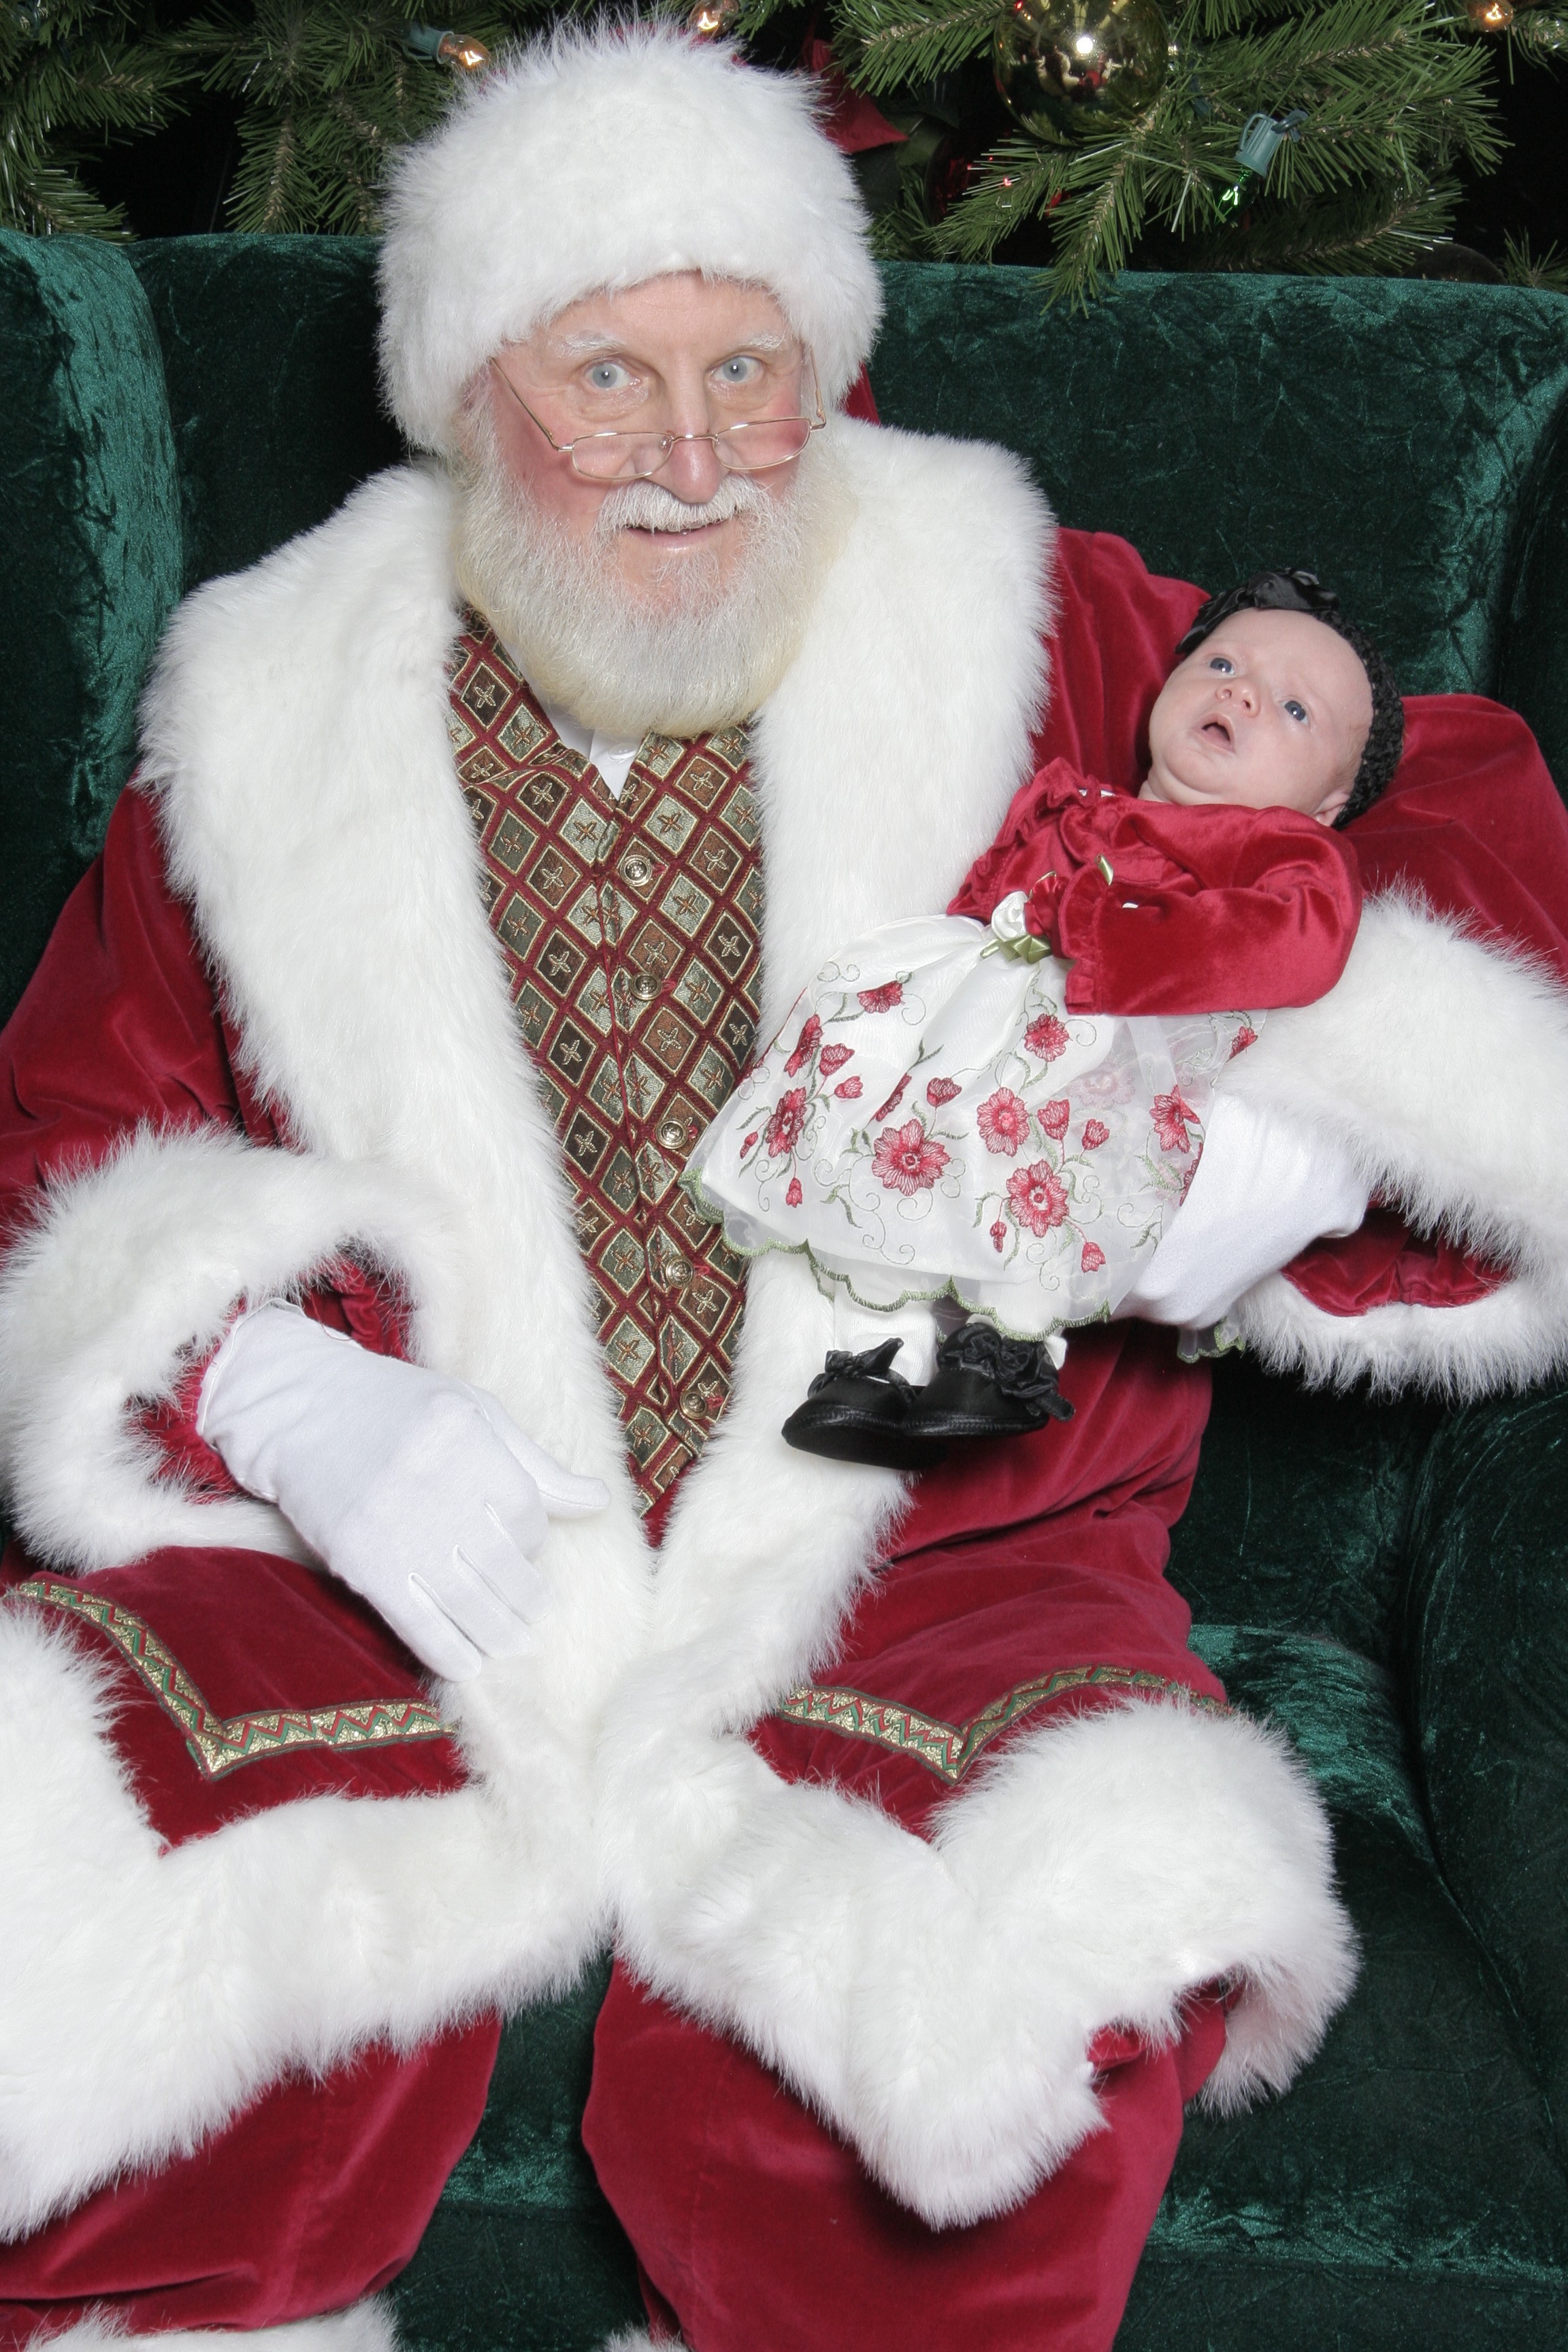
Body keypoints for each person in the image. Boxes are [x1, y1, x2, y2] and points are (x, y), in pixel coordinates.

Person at [1, 26, 1568, 2352]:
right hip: (421, 1550)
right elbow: (65, 1139)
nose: (694, 447)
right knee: (78, 1922)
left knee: (968, 2039)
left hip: (944, 1527)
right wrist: (289, 1400)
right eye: (608, 374)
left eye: (749, 364)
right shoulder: (263, 722)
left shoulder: (1024, 612)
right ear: (465, 391)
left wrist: (1295, 1115)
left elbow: (1433, 779)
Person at [689, 572, 1397, 1467]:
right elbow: (986, 896)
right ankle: (874, 1354)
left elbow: (1294, 944)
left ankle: (1009, 1350)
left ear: (1328, 807)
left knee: (1037, 1169)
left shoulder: (1286, 851)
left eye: (1294, 711)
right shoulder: (1071, 801)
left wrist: (1119, 942)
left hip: (1121, 1030)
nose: (1244, 691)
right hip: (998, 1008)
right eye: (1222, 661)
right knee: (894, 1125)